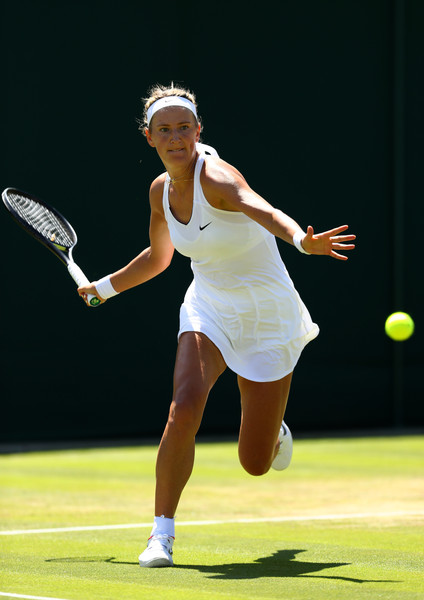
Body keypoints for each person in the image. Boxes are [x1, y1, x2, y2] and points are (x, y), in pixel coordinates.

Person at [78, 83, 356, 568]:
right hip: (208, 308)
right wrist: (104, 287)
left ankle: (273, 435)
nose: (176, 137)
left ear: (198, 130)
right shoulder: (160, 191)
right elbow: (160, 257)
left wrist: (299, 240)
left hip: (268, 317)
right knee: (183, 408)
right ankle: (160, 535)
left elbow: (261, 208)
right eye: (164, 130)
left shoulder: (220, 178)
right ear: (149, 138)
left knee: (254, 464)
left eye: (184, 127)